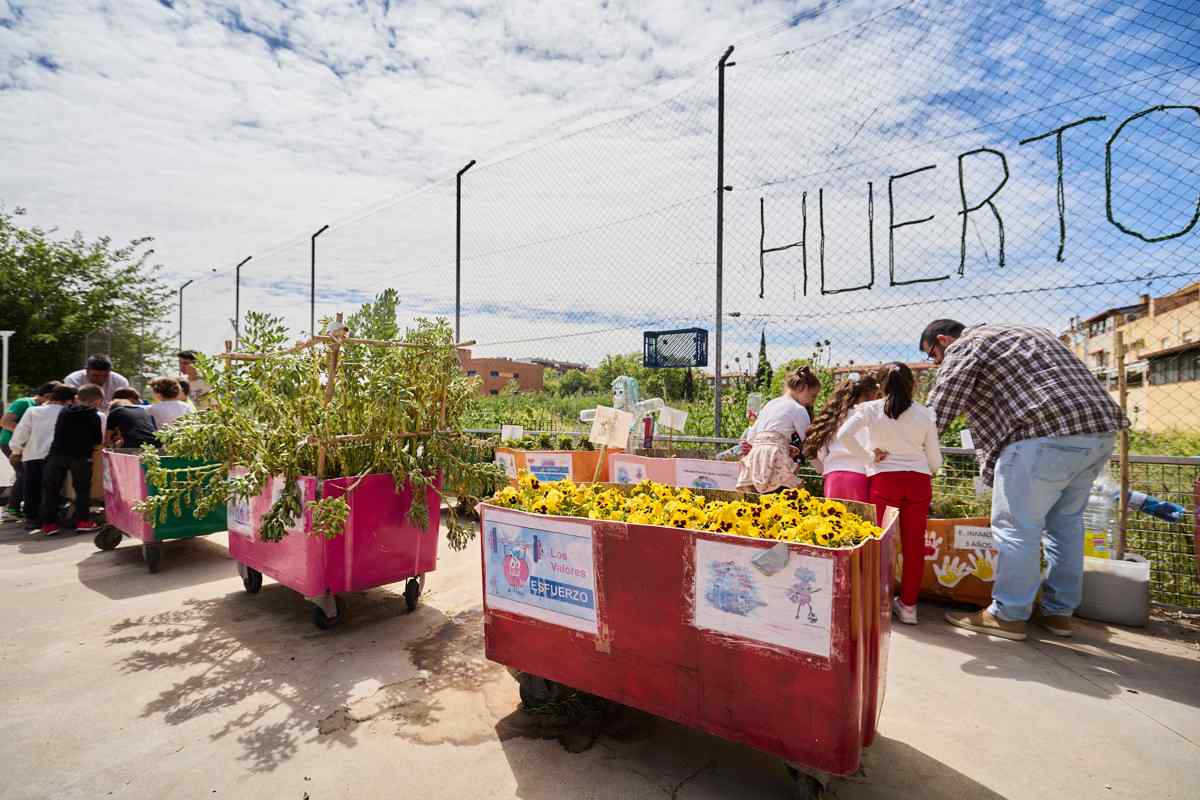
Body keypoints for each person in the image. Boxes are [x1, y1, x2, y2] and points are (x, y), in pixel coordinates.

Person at [920, 320, 1126, 641]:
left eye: (933, 355)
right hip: (1098, 432)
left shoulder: (965, 345)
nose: (936, 363)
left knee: (1016, 527)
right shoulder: (1030, 332)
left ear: (943, 340)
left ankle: (1009, 614)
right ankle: (1059, 613)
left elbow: (941, 406)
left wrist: (915, 448)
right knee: (1065, 525)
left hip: (1040, 436)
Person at [836, 363, 942, 624]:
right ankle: (908, 607)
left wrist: (869, 457)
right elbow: (936, 460)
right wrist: (923, 469)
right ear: (913, 384)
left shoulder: (870, 410)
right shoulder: (925, 414)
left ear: (879, 386)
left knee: (879, 544)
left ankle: (875, 602)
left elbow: (844, 435)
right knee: (914, 546)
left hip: (885, 481)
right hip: (918, 482)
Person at [736, 367, 822, 493]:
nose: (812, 402)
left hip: (756, 461)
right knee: (783, 502)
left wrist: (782, 445)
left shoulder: (770, 404)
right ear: (802, 388)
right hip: (776, 461)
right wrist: (821, 469)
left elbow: (752, 437)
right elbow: (808, 444)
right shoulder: (798, 409)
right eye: (812, 396)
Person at [802, 374, 881, 502]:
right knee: (859, 519)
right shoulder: (866, 415)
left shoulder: (834, 415)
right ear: (870, 394)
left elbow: (820, 449)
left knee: (834, 519)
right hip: (859, 475)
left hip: (833, 476)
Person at [9, 384, 76, 529]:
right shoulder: (70, 412)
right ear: (70, 399)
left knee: (32, 486)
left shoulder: (33, 411)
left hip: (33, 454)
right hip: (58, 456)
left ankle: (32, 518)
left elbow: (22, 432)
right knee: (54, 488)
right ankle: (52, 517)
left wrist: (16, 451)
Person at [41, 384, 104, 535]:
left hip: (57, 455)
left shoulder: (64, 412)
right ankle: (83, 521)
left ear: (77, 398)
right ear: (97, 401)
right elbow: (97, 439)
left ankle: (49, 524)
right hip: (81, 458)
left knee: (51, 490)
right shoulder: (94, 416)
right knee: (82, 490)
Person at [1, 381, 59, 517]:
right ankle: (11, 509)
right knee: (24, 475)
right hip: (10, 443)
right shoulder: (24, 403)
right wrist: (32, 434)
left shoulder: (43, 408)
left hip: (27, 446)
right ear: (48, 395)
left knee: (26, 474)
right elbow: (5, 422)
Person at [64, 354, 129, 411]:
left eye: (105, 376)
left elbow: (125, 407)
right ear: (87, 371)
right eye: (95, 376)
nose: (100, 379)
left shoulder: (121, 382)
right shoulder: (72, 380)